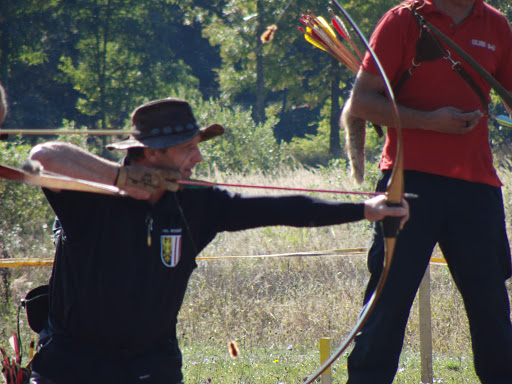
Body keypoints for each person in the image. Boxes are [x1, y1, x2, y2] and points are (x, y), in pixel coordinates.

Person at [27, 98, 409, 384]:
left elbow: (282, 209)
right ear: (153, 152)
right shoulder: (89, 193)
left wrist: (365, 209)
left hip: (151, 363)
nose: (198, 157)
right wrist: (121, 180)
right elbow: (43, 155)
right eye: (187, 148)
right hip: (75, 364)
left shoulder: (197, 202)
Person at [340, 0, 512, 383]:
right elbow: (363, 102)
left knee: (492, 308)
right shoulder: (402, 20)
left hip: (476, 185)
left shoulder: (496, 24)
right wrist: (430, 122)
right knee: (387, 302)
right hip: (408, 182)